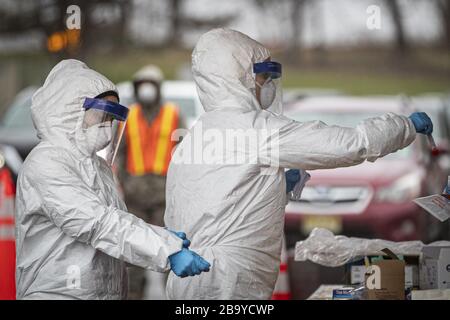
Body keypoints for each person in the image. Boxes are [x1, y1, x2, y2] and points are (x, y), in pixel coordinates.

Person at [164, 28, 433, 300]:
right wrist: (405, 126)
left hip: (190, 280)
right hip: (228, 282)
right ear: (238, 77)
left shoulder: (194, 137)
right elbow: (350, 144)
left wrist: (278, 189)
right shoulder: (256, 130)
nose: (266, 84)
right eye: (262, 76)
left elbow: (223, 208)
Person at [15, 59, 210, 300]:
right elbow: (98, 223)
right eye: (101, 115)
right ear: (70, 111)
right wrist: (165, 248)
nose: (107, 126)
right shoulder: (47, 163)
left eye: (111, 118)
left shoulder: (96, 167)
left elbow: (115, 229)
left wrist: (159, 236)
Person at [115, 65, 184, 298]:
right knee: (134, 251)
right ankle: (134, 294)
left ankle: (174, 295)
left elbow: (184, 152)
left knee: (172, 247)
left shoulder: (173, 114)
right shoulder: (129, 115)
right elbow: (120, 153)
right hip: (136, 195)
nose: (146, 89)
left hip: (164, 195)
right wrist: (126, 183)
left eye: (150, 84)